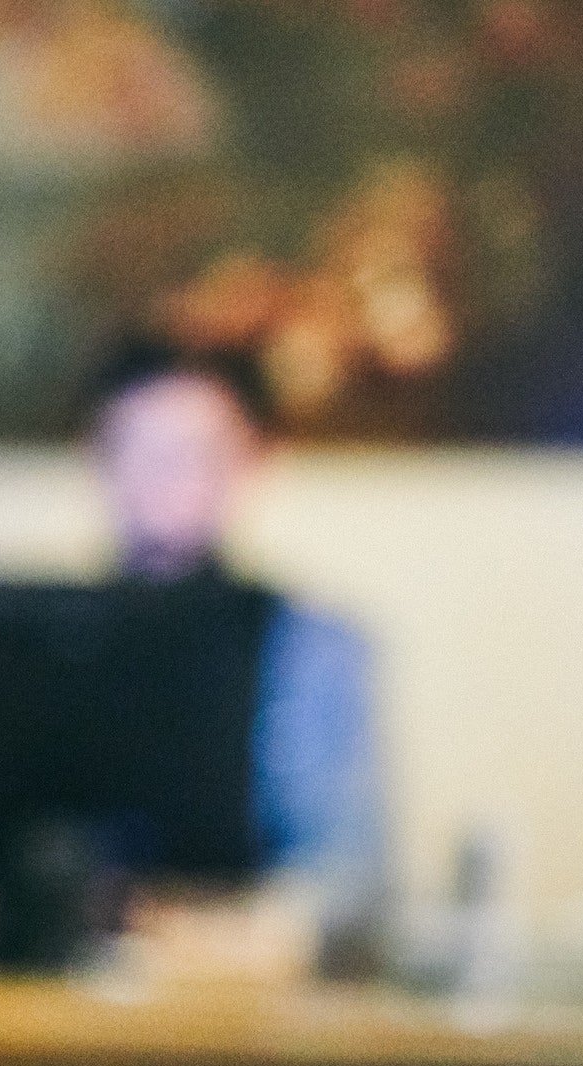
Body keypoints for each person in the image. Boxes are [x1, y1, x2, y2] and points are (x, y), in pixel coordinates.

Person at [87, 336, 389, 968]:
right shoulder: (46, 637)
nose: (161, 480)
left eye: (191, 456)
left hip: (237, 996)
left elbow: (349, 883)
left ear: (252, 462)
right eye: (137, 453)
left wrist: (212, 930)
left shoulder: (314, 650)